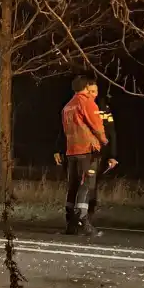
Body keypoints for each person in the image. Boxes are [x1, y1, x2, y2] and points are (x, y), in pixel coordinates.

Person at [54, 91, 117, 228]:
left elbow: (110, 130)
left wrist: (111, 154)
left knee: (87, 186)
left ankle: (80, 219)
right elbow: (65, 129)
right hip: (85, 152)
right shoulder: (77, 105)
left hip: (93, 153)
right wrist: (58, 149)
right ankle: (79, 219)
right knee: (84, 185)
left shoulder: (101, 107)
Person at [59, 76, 109, 236]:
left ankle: (71, 223)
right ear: (86, 87)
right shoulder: (86, 102)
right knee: (86, 185)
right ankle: (83, 221)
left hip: (71, 150)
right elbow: (96, 125)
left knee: (73, 186)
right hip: (86, 150)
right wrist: (104, 141)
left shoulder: (67, 106)